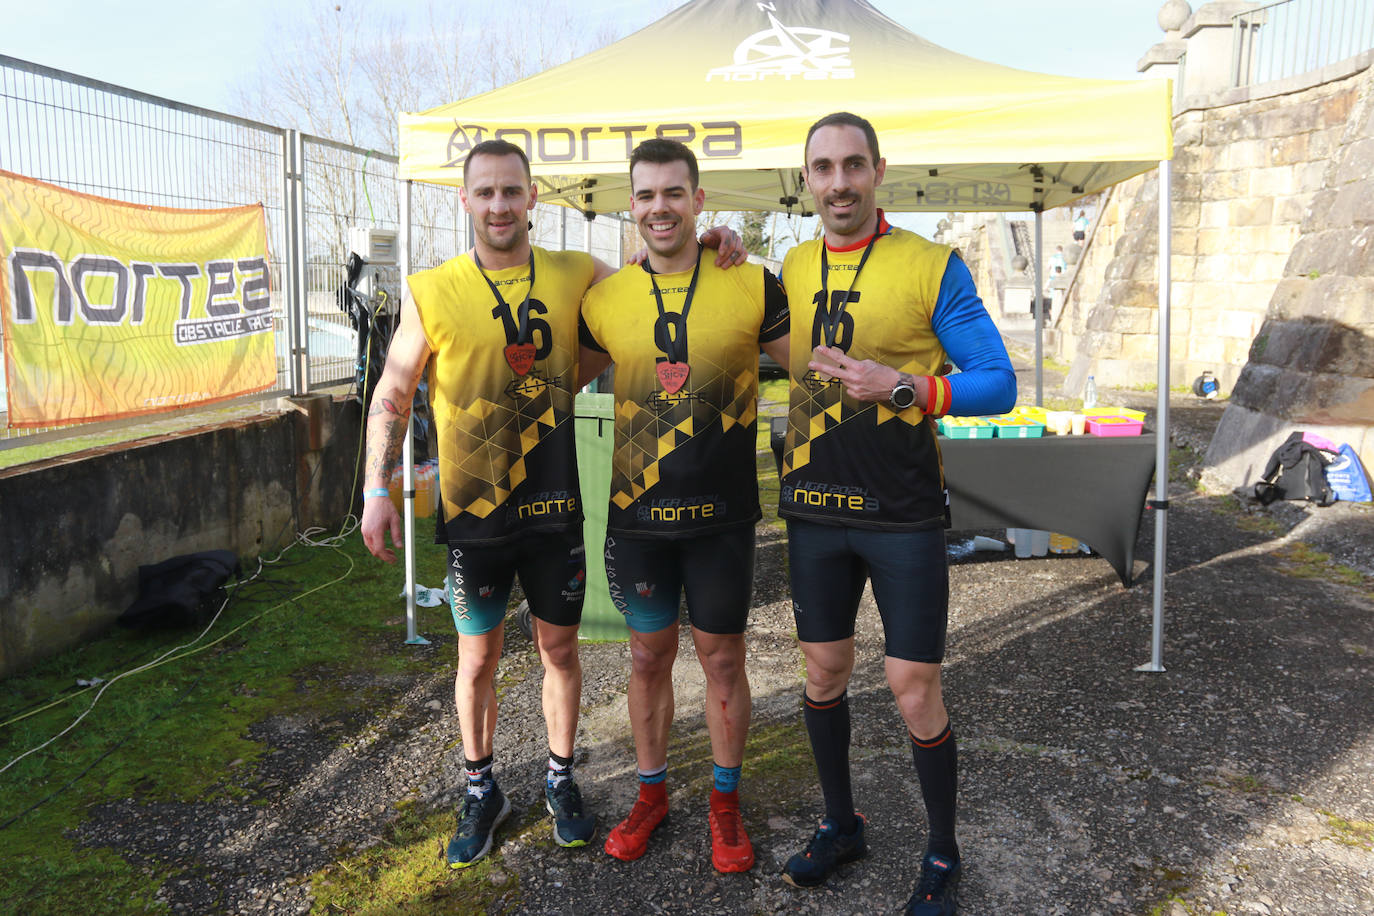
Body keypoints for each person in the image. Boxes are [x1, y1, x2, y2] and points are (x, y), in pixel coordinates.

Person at [359, 139, 744, 870]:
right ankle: (481, 790)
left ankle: (560, 778)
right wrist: (378, 489)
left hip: (553, 510)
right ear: (465, 200)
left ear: (533, 197)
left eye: (512, 191)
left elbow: (654, 281)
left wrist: (715, 240)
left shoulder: (574, 273)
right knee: (476, 660)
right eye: (485, 192)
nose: (499, 205)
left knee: (559, 652)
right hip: (475, 518)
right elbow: (393, 388)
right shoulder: (433, 288)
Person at [775, 113, 1016, 915]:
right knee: (822, 672)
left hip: (903, 511)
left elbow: (997, 381)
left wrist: (906, 387)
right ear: (806, 178)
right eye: (823, 168)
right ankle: (841, 824)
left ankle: (943, 853)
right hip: (814, 508)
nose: (838, 182)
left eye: (853, 165)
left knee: (914, 686)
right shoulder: (793, 263)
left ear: (879, 169)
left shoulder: (930, 264)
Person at [578, 138, 789, 874]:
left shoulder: (753, 283)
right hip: (638, 519)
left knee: (722, 660)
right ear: (629, 206)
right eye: (645, 195)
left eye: (674, 193)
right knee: (645, 656)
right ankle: (651, 793)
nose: (659, 207)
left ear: (701, 201)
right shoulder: (603, 299)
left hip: (721, 519)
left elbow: (819, 369)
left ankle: (725, 805)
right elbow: (546, 383)